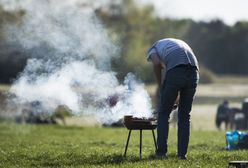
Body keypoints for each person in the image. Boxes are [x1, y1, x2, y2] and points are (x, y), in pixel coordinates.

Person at [146, 38, 199, 159]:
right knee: (185, 115)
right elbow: (186, 70)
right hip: (194, 72)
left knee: (164, 113)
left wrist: (160, 87)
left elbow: (157, 64)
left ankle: (161, 153)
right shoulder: (174, 44)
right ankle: (182, 155)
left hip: (176, 71)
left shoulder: (153, 49)